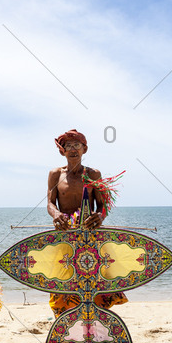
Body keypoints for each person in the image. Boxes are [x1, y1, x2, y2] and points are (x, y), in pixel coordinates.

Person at [47, 129, 127, 317]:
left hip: (90, 233)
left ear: (85, 149)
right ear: (62, 151)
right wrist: (56, 214)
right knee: (63, 277)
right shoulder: (55, 174)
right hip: (65, 234)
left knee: (95, 276)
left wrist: (100, 217)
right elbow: (50, 203)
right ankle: (65, 320)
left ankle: (95, 317)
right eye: (68, 146)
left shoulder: (93, 174)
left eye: (77, 145)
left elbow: (102, 205)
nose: (73, 149)